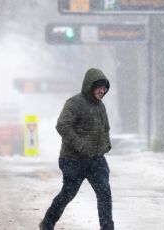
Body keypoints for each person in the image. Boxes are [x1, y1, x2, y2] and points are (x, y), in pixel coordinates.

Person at [39, 68, 114, 230]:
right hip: (73, 160)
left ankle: (108, 228)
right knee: (68, 194)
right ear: (90, 86)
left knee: (104, 194)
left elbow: (106, 128)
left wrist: (106, 144)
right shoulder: (74, 103)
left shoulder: (101, 107)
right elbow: (62, 126)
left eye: (105, 88)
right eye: (100, 87)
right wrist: (81, 146)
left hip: (96, 160)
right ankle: (47, 223)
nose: (103, 91)